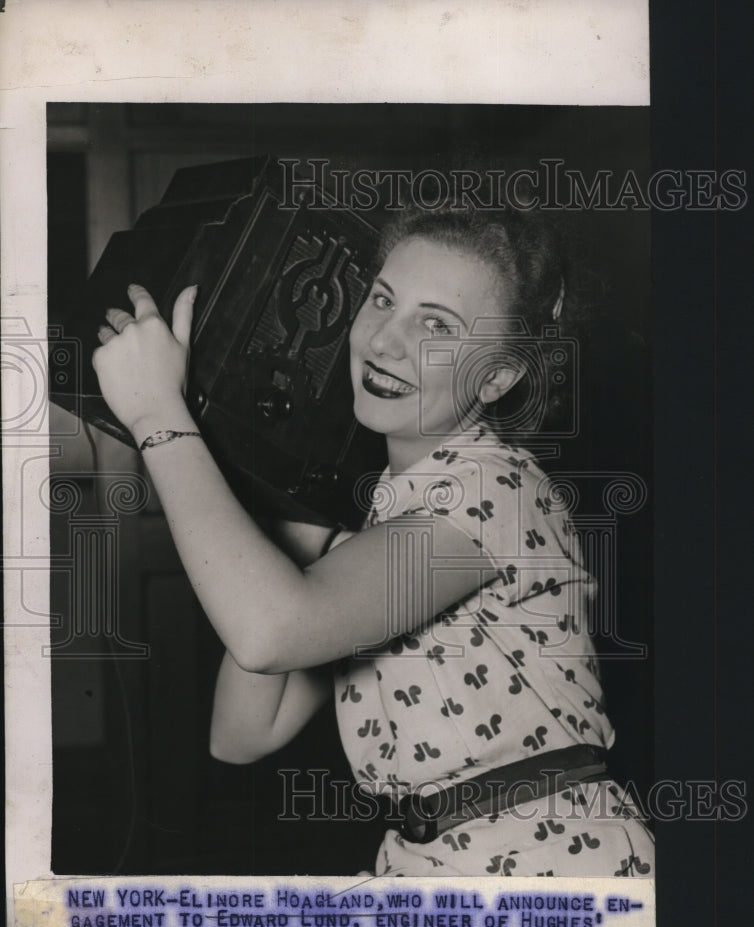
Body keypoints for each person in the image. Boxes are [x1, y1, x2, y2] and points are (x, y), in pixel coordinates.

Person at [92, 203, 654, 878]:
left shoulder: (495, 493)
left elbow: (270, 631)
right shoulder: (389, 518)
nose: (384, 340)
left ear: (498, 376)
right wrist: (296, 504)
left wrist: (158, 414)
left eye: (435, 325)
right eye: (383, 300)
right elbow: (241, 735)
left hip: (544, 868)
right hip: (432, 864)